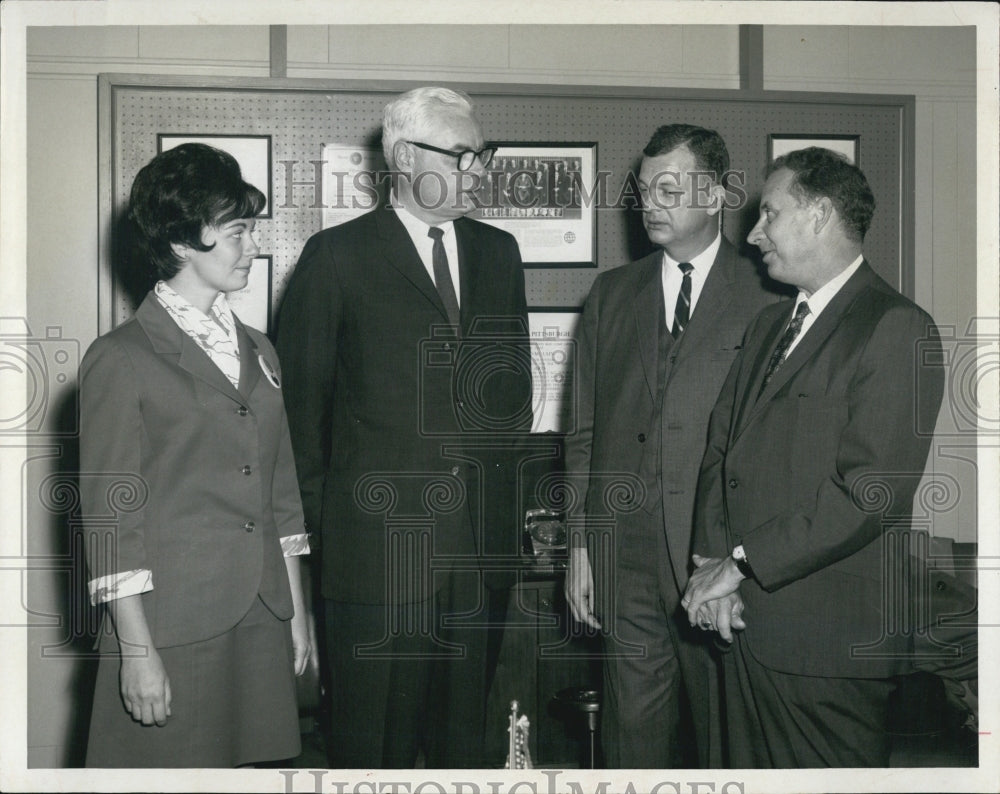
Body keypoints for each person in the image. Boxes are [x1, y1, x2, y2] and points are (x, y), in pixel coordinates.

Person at [276, 86, 531, 768]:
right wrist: (322, 549)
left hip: (478, 555)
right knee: (371, 753)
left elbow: (512, 400)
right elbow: (298, 421)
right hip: (374, 559)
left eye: (484, 154)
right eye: (463, 155)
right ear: (403, 157)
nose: (480, 170)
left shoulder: (499, 254)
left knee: (465, 753)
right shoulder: (336, 258)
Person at [682, 147, 945, 767]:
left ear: (821, 214)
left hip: (827, 652)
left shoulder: (898, 327)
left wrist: (738, 565)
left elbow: (869, 495)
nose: (753, 234)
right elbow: (722, 457)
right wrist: (714, 575)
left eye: (769, 214)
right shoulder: (770, 325)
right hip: (740, 629)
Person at [80, 143, 312, 768]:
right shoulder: (121, 357)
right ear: (183, 242)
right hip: (171, 628)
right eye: (236, 231)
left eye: (250, 230)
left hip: (260, 616)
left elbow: (280, 494)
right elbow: (110, 521)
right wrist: (136, 651)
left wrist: (295, 614)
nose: (252, 246)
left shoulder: (262, 350)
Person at [562, 124, 780, 768]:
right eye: (642, 190)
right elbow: (583, 435)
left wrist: (740, 561)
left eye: (668, 189)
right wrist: (581, 546)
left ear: (714, 196)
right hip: (623, 563)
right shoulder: (611, 294)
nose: (649, 203)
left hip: (720, 565)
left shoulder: (769, 292)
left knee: (727, 745)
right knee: (634, 744)